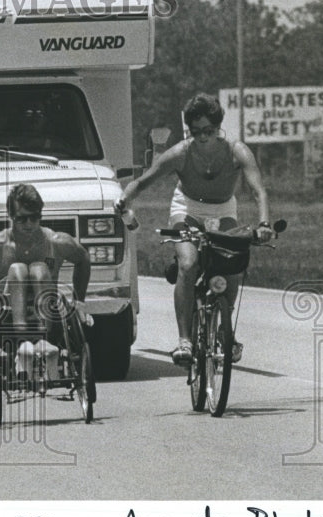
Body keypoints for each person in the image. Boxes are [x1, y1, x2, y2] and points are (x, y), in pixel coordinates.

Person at [115, 93, 274, 366]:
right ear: (188, 130)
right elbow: (143, 182)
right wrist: (124, 201)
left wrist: (264, 224)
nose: (202, 137)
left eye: (209, 131)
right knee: (188, 264)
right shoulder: (180, 153)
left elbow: (258, 190)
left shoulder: (236, 151)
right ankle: (185, 341)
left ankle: (226, 329)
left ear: (218, 127)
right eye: (196, 131)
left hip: (223, 209)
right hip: (186, 208)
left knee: (232, 261)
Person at [0, 183, 93, 383]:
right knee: (17, 269)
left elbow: (83, 258)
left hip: (49, 324)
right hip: (8, 326)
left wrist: (79, 302)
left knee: (39, 269)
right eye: (22, 219)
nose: (29, 224)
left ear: (41, 215)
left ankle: (43, 343)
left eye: (35, 217)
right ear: (11, 216)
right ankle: (23, 344)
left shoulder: (55, 241)